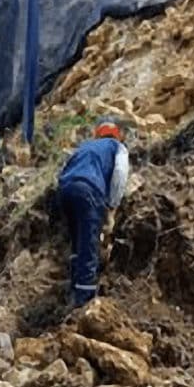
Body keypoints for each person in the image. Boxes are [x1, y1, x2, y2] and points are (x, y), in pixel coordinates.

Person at [56, 118, 130, 308]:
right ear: (117, 136)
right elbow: (120, 173)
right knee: (88, 244)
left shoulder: (84, 147)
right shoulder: (117, 147)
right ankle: (84, 302)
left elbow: (64, 169)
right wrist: (112, 205)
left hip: (65, 190)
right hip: (88, 190)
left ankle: (74, 287)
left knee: (77, 242)